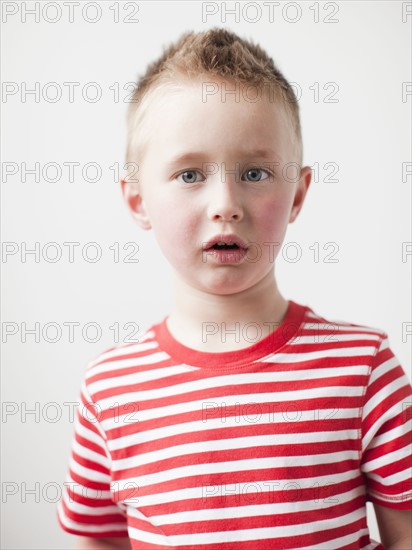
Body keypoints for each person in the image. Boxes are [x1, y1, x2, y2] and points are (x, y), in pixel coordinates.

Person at [56, 28, 412, 549]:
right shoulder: (110, 388)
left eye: (254, 171)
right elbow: (98, 540)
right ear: (136, 200)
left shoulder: (363, 368)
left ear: (297, 195)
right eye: (189, 174)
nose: (225, 202)